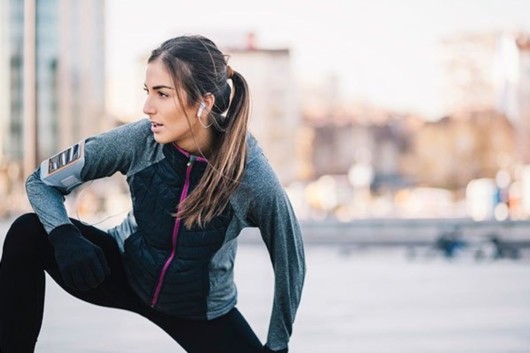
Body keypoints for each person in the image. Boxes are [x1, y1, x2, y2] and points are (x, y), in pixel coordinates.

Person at [0, 34, 306, 353]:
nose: (147, 108)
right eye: (148, 92)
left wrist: (278, 344)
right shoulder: (139, 140)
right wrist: (63, 235)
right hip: (123, 272)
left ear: (204, 102)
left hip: (200, 310)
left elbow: (290, 260)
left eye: (162, 94)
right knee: (27, 232)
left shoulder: (250, 175)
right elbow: (41, 181)